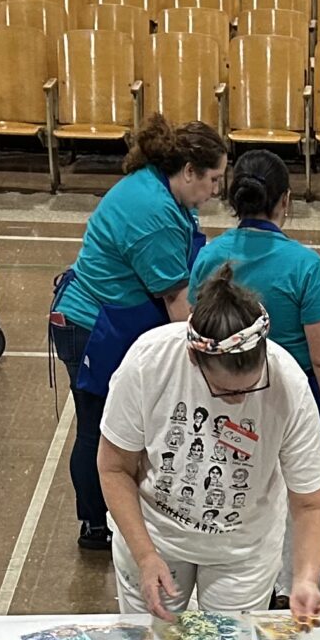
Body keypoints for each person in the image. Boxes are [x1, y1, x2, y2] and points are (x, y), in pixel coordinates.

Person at [96, 264, 320, 640]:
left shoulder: (288, 383)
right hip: (155, 534)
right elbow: (113, 467)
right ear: (196, 358)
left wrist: (305, 576)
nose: (238, 400)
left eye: (249, 388)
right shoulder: (151, 360)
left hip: (242, 546)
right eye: (225, 393)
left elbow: (311, 501)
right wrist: (145, 553)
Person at [51, 116, 227, 551]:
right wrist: (211, 361)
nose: (216, 191)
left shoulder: (161, 188)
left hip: (112, 318)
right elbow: (178, 306)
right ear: (189, 171)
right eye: (213, 179)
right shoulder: (155, 214)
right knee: (99, 429)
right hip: (92, 327)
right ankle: (96, 524)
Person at [194, 149, 320, 606]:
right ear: (285, 200)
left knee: (241, 501)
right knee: (319, 502)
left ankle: (249, 602)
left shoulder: (209, 258)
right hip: (293, 403)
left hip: (225, 402)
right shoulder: (305, 265)